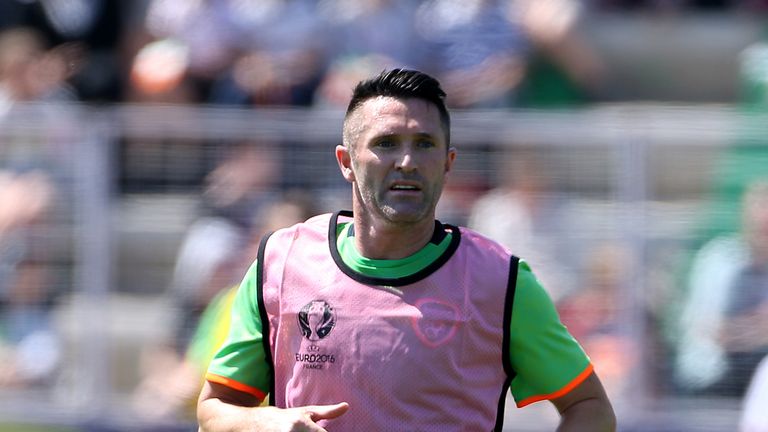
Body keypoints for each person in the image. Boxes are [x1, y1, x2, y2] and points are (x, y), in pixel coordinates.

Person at [196, 69, 616, 431]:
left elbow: (589, 407)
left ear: (449, 161)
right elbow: (213, 412)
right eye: (386, 143)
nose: (408, 161)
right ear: (346, 161)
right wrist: (266, 421)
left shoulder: (500, 280)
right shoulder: (280, 264)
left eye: (425, 144)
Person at [675, 179, 768, 397]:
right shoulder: (718, 257)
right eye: (759, 209)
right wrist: (756, 330)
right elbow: (707, 327)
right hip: (714, 375)